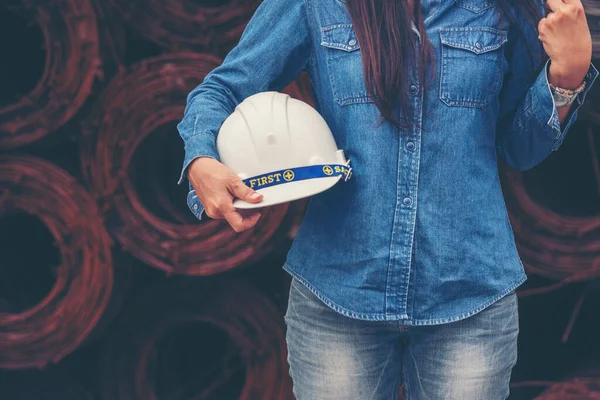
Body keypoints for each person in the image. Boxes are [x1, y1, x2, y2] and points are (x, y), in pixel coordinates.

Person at [177, 0, 598, 398]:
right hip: (338, 295)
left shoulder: (501, 7)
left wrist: (566, 79)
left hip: (469, 299)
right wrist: (201, 159)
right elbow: (222, 89)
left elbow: (519, 148)